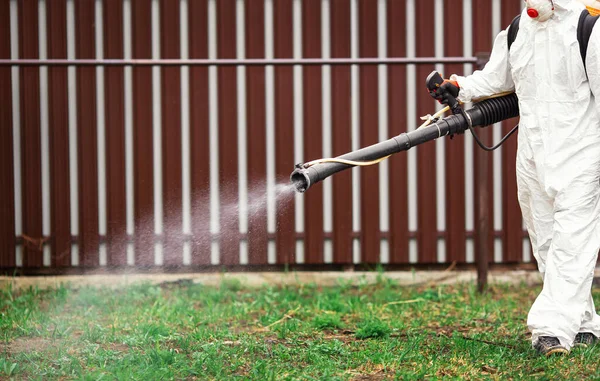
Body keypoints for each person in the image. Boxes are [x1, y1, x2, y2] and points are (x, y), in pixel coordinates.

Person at [429, 0, 600, 356]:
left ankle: (551, 330)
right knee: (548, 244)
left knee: (573, 244)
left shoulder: (589, 27)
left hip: (582, 153)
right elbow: (495, 79)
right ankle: (584, 323)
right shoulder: (517, 31)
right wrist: (459, 87)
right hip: (533, 156)